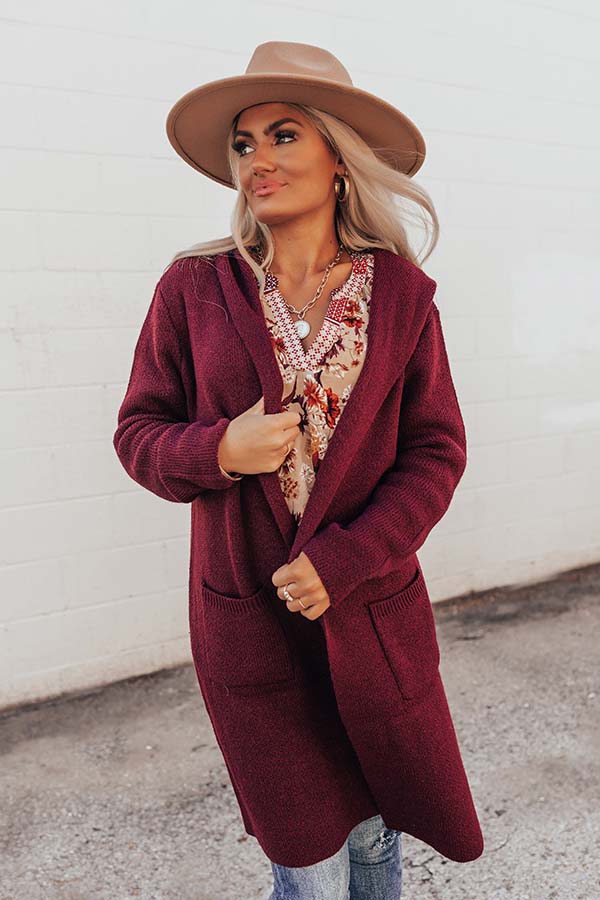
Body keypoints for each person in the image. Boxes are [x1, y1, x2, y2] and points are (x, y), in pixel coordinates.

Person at [113, 40, 484, 900]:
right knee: (307, 868)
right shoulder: (195, 288)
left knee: (375, 843)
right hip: (253, 625)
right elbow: (137, 433)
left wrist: (345, 560)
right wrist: (218, 450)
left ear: (339, 156)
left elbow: (436, 453)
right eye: (243, 143)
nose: (257, 160)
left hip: (369, 617)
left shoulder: (401, 297)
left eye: (284, 135)